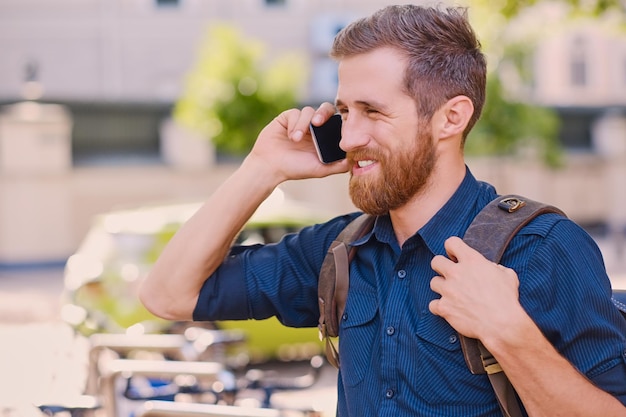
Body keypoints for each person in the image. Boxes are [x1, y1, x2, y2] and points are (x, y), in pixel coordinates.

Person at [139, 5, 626, 416]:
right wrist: (262, 169)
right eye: (345, 111)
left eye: (373, 112)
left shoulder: (544, 249)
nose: (349, 138)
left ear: (451, 118)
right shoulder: (336, 252)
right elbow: (168, 295)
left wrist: (509, 332)